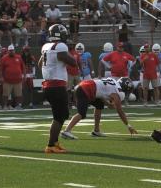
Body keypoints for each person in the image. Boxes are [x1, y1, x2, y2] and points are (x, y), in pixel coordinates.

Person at [40, 23, 78, 153]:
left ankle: (54, 142)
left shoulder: (46, 46)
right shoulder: (60, 46)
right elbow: (72, 62)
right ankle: (51, 145)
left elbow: (41, 63)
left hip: (49, 84)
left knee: (62, 114)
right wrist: (72, 56)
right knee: (59, 116)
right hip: (56, 85)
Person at [62, 76, 136, 139]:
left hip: (85, 85)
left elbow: (100, 93)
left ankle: (96, 131)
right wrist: (128, 125)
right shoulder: (118, 92)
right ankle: (66, 131)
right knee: (82, 114)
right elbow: (120, 111)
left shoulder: (112, 81)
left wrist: (108, 104)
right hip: (85, 90)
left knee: (99, 105)